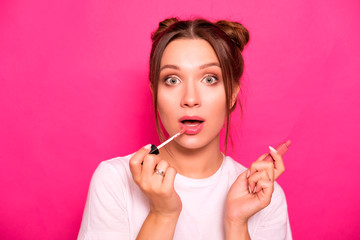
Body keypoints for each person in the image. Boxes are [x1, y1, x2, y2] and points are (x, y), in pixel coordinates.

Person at [77, 18, 292, 240]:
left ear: (233, 94)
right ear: (155, 93)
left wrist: (237, 224)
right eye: (172, 80)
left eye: (209, 79)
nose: (190, 99)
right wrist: (162, 214)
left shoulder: (263, 196)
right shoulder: (115, 181)